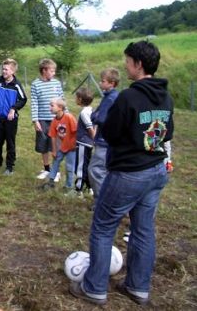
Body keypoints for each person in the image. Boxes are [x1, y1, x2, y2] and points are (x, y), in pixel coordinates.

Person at [69, 40, 174, 306]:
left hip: (129, 173)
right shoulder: (166, 96)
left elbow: (111, 133)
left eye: (128, 61)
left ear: (138, 64)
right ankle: (138, 287)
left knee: (103, 228)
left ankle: (94, 288)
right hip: (156, 169)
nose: (125, 65)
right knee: (143, 230)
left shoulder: (129, 96)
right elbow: (167, 133)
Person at [0, 58, 27, 176]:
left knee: (10, 142)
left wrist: (13, 109)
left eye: (6, 69)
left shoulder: (16, 85)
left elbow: (23, 99)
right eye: (3, 69)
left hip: (11, 119)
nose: (4, 71)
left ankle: (9, 167)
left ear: (13, 71)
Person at [87, 68, 120, 199]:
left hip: (104, 141)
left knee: (95, 170)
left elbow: (100, 117)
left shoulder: (110, 98)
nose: (100, 83)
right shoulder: (111, 96)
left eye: (103, 81)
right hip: (109, 141)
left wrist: (94, 116)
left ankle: (101, 201)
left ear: (112, 83)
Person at [31, 58, 64, 181]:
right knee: (43, 145)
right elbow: (34, 103)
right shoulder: (35, 84)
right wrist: (35, 120)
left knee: (56, 146)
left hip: (56, 120)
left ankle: (57, 171)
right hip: (42, 120)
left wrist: (65, 116)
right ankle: (46, 169)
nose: (54, 73)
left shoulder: (56, 84)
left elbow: (62, 100)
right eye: (52, 70)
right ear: (44, 70)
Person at [40, 98, 77, 190]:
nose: (50, 108)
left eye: (52, 106)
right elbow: (53, 136)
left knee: (69, 167)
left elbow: (76, 132)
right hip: (61, 147)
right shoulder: (54, 121)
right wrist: (54, 150)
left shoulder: (69, 117)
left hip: (71, 148)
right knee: (55, 163)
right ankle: (50, 182)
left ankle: (69, 187)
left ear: (60, 107)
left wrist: (73, 146)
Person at [70, 87, 95, 196]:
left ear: (80, 99)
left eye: (76, 97)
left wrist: (95, 140)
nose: (75, 99)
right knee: (87, 165)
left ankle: (78, 190)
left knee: (80, 166)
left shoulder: (84, 113)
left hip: (83, 144)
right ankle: (90, 188)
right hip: (88, 144)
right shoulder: (91, 110)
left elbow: (90, 128)